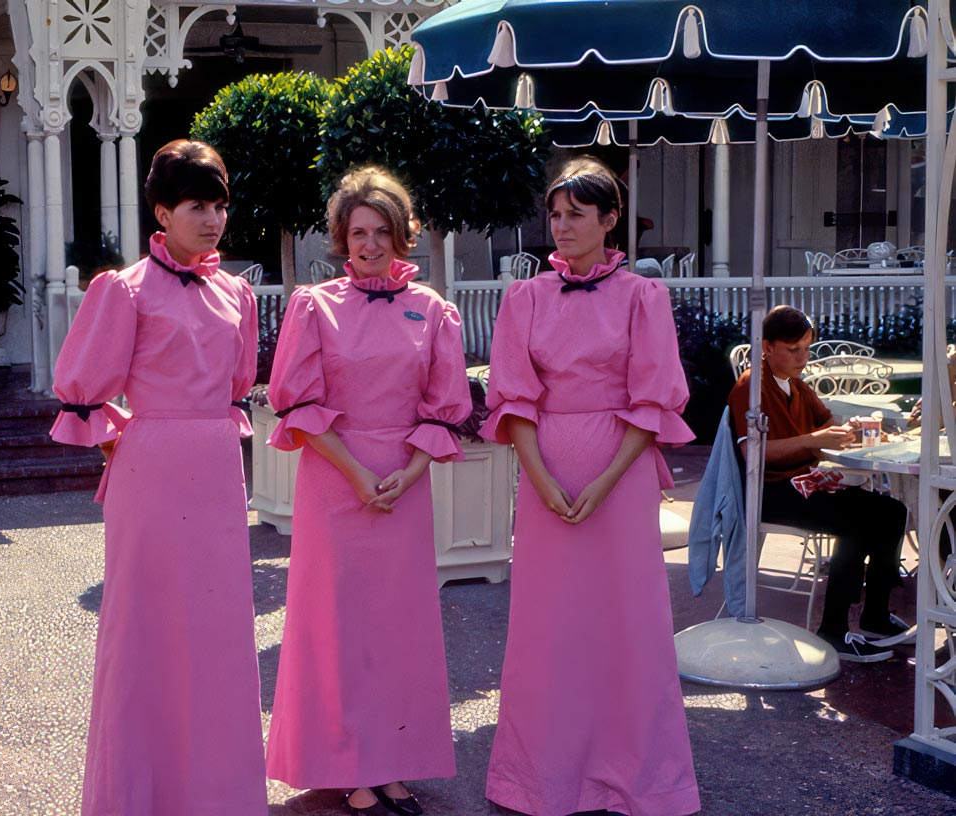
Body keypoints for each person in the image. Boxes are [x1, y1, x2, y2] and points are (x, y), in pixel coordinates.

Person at [49, 140, 267, 816]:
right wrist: (124, 434)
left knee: (217, 629)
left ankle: (215, 795)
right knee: (146, 631)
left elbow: (237, 386)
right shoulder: (124, 289)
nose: (211, 220)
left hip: (216, 466)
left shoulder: (237, 293)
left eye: (219, 206)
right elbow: (84, 386)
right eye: (197, 206)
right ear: (162, 212)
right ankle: (136, 796)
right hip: (151, 471)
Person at [481, 157, 700, 816]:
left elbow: (653, 399)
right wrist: (540, 478)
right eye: (555, 213)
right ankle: (539, 781)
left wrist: (606, 480)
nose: (562, 226)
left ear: (610, 222)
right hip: (545, 478)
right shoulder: (524, 297)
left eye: (577, 214)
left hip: (621, 477)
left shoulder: (644, 297)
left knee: (627, 627)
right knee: (548, 632)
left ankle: (637, 780)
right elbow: (512, 399)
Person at [264, 167, 471, 816]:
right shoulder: (314, 306)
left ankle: (395, 763)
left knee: (399, 629)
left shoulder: (434, 310)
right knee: (342, 629)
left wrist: (409, 474)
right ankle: (351, 766)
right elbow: (294, 401)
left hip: (404, 482)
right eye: (358, 232)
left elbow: (445, 407)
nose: (371, 244)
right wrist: (356, 474)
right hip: (336, 479)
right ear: (340, 237)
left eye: (383, 231)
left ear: (403, 235)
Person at [728, 305, 909, 661]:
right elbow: (754, 455)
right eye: (794, 349)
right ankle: (833, 630)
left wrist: (851, 429)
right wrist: (814, 440)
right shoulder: (750, 387)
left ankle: (874, 615)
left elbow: (825, 427)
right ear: (767, 346)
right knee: (856, 522)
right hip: (769, 492)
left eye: (807, 348)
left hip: (802, 484)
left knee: (892, 511)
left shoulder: (798, 386)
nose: (803, 357)